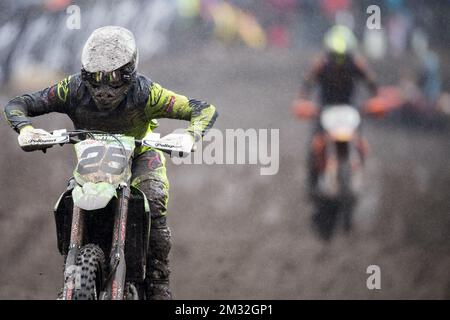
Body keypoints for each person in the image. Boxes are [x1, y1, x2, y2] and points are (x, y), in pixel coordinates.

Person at [3, 26, 218, 299]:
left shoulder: (146, 93)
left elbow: (203, 109)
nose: (103, 90)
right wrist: (26, 129)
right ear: (84, 75)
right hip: (95, 161)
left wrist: (190, 136)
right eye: (95, 79)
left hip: (141, 154)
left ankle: (158, 284)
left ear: (129, 74)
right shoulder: (72, 89)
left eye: (114, 79)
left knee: (153, 197)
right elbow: (18, 104)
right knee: (71, 198)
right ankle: (73, 274)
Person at [298, 25, 377, 194]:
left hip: (350, 110)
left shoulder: (358, 64)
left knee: (361, 143)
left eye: (343, 57)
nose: (339, 61)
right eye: (335, 56)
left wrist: (375, 101)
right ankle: (313, 182)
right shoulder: (320, 64)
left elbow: (372, 84)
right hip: (325, 110)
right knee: (315, 146)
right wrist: (303, 102)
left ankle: (360, 171)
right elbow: (306, 85)